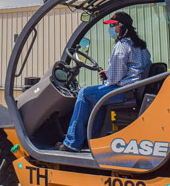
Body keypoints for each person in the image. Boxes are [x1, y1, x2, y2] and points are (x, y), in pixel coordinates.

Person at [58, 12, 151, 152]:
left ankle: (72, 142)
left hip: (124, 91)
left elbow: (114, 79)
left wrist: (108, 77)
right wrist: (109, 74)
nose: (111, 29)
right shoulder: (141, 46)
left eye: (113, 26)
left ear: (122, 27)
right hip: (133, 89)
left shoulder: (122, 45)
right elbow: (134, 68)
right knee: (96, 98)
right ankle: (93, 140)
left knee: (84, 93)